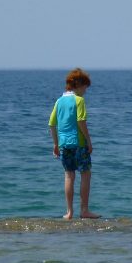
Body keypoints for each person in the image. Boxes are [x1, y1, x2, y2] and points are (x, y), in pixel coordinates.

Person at [48, 68, 100, 220]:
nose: (85, 91)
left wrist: (56, 144)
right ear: (78, 84)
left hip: (64, 144)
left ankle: (69, 212)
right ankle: (84, 210)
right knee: (85, 174)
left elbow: (52, 124)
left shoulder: (59, 101)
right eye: (85, 87)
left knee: (69, 176)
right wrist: (89, 142)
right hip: (79, 143)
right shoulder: (79, 101)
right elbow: (81, 122)